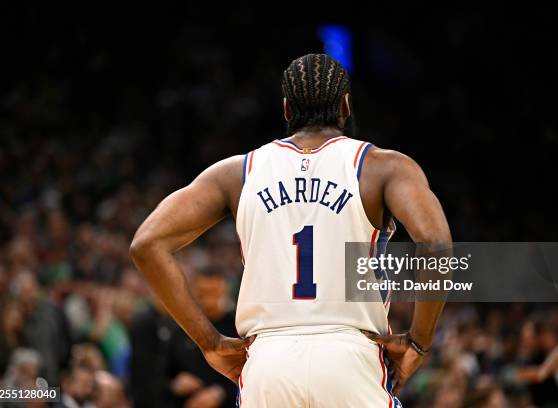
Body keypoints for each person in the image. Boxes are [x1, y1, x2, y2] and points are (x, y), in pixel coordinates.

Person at [131, 53, 452, 407]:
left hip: (268, 361)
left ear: (286, 109)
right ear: (346, 105)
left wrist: (210, 342)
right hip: (349, 356)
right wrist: (419, 342)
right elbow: (435, 245)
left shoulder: (237, 172)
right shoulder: (383, 167)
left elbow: (147, 244)